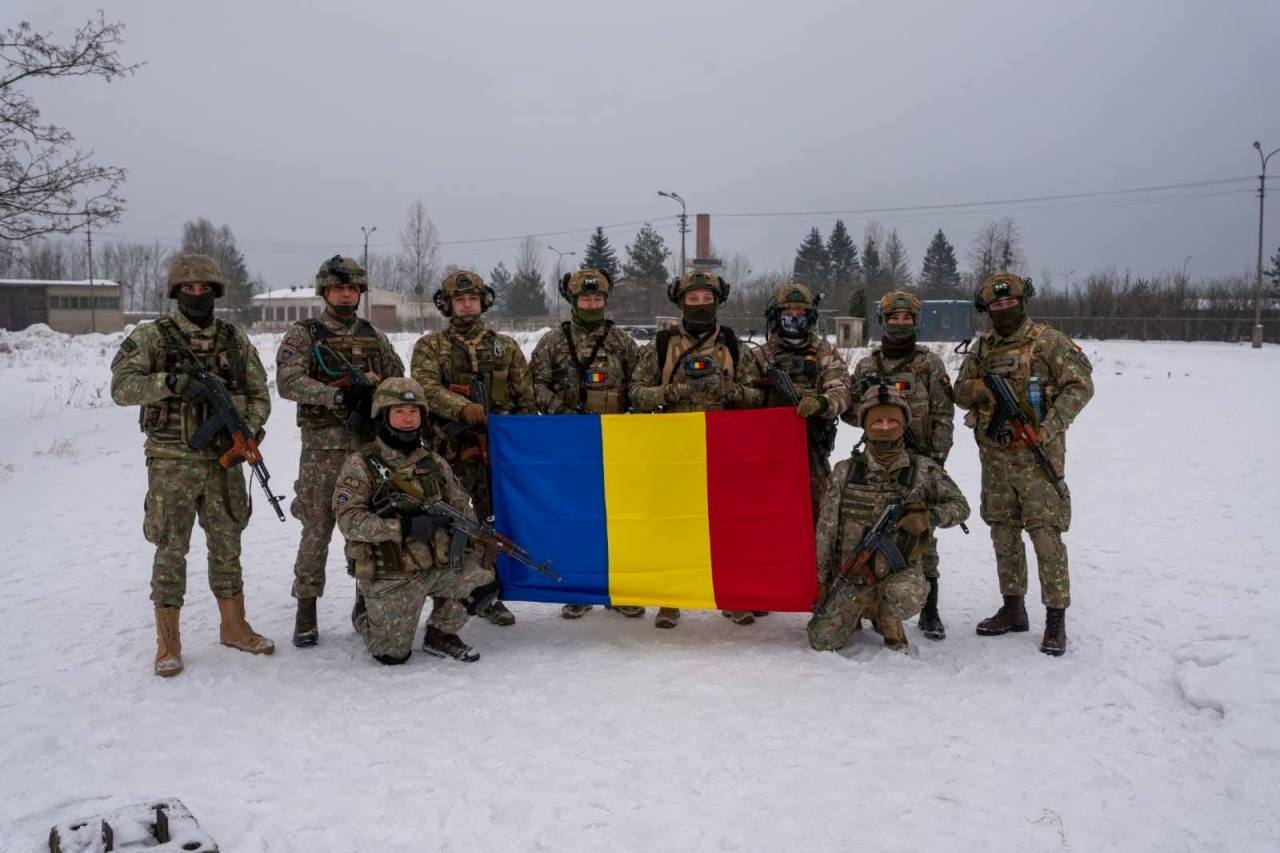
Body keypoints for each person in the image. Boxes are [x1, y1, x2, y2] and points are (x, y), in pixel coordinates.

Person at [110, 254, 274, 677]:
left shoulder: (234, 340)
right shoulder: (152, 336)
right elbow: (121, 387)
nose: (197, 294)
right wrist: (169, 383)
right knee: (170, 548)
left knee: (227, 545)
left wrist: (247, 431)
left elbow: (259, 394)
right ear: (176, 292)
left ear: (215, 292)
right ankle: (168, 641)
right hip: (172, 462)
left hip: (224, 461)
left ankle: (234, 626)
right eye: (189, 288)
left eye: (204, 288)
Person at [953, 272, 1094, 656]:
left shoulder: (1049, 342)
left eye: (1009, 302)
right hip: (995, 459)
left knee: (1045, 535)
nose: (1003, 308)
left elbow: (1081, 386)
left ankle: (1055, 618)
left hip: (1036, 459)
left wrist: (1049, 427)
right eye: (996, 304)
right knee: (1003, 533)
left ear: (1022, 302)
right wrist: (981, 389)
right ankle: (1013, 607)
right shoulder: (982, 349)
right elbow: (960, 392)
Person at [276, 256, 405, 647]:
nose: (346, 294)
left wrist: (375, 394)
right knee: (316, 530)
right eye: (338, 288)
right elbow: (287, 381)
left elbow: (397, 380)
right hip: (322, 450)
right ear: (325, 292)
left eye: (352, 288)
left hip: (367, 450)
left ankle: (365, 603)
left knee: (366, 527)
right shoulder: (305, 335)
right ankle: (306, 610)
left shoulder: (374, 336)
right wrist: (336, 395)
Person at [630, 270, 764, 629]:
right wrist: (671, 392)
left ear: (718, 301)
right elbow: (636, 393)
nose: (700, 305)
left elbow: (758, 396)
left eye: (707, 299)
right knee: (673, 526)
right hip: (674, 450)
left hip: (724, 450)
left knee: (728, 526)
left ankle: (732, 595)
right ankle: (670, 598)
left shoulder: (733, 345)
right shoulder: (662, 345)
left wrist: (729, 390)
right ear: (681, 302)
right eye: (693, 299)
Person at [334, 378, 494, 664]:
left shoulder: (434, 462)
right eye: (399, 411)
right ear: (383, 415)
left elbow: (462, 507)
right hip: (391, 572)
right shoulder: (361, 464)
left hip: (436, 564)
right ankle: (365, 612)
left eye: (414, 411)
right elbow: (349, 520)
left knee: (484, 582)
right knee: (392, 655)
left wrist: (467, 531)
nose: (408, 419)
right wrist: (403, 527)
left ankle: (440, 634)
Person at [410, 270, 534, 627]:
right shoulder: (431, 346)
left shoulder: (505, 346)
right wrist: (462, 409)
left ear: (484, 302)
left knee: (492, 524)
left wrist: (520, 441)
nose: (467, 305)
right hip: (449, 456)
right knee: (452, 527)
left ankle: (489, 593)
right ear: (447, 305)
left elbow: (525, 399)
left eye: (473, 299)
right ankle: (449, 598)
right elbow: (425, 388)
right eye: (460, 300)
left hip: (497, 454)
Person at [807, 385, 969, 654]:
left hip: (898, 576)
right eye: (877, 421)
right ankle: (861, 611)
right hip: (853, 574)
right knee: (821, 640)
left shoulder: (923, 470)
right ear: (865, 425)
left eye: (892, 421)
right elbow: (826, 530)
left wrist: (930, 517)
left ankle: (889, 618)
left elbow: (961, 506)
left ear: (903, 424)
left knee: (907, 594)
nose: (884, 427)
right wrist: (822, 580)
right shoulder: (845, 471)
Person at [529, 268, 645, 620]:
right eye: (585, 299)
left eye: (597, 299)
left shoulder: (622, 342)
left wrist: (630, 416)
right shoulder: (553, 342)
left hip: (616, 445)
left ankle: (622, 590)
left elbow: (640, 384)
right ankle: (579, 589)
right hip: (571, 444)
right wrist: (563, 415)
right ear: (573, 301)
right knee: (576, 518)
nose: (592, 305)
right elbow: (535, 385)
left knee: (620, 518)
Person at [848, 289, 956, 640]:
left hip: (919, 462)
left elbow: (943, 414)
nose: (899, 323)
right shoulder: (867, 366)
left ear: (914, 321)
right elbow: (850, 412)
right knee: (871, 526)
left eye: (906, 318)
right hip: (876, 460)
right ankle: (870, 601)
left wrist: (936, 461)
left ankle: (930, 608)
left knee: (921, 531)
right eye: (893, 318)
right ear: (884, 321)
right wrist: (870, 403)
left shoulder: (929, 364)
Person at [749, 282, 851, 521]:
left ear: (811, 316)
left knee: (815, 513)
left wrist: (821, 403)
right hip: (766, 451)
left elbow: (842, 392)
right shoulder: (760, 355)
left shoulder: (824, 352)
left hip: (811, 449)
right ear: (776, 317)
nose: (794, 318)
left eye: (800, 313)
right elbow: (744, 398)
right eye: (787, 313)